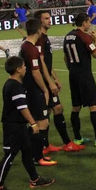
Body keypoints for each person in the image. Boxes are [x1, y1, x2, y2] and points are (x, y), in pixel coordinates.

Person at [0, 56, 55, 190]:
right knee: (9, 155)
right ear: (18, 69)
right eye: (24, 66)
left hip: (18, 125)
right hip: (13, 127)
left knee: (27, 151)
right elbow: (22, 108)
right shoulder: (15, 86)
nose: (25, 68)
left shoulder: (12, 84)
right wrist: (33, 123)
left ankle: (35, 179)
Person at [34, 10, 84, 153]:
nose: (50, 20)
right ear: (39, 22)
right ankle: (54, 145)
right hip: (41, 83)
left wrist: (55, 78)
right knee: (48, 112)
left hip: (46, 80)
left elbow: (47, 64)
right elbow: (40, 62)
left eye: (50, 18)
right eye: (46, 19)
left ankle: (46, 145)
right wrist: (50, 83)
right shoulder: (39, 39)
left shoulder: (44, 38)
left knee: (52, 110)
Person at [64, 13, 96, 147]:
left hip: (73, 75)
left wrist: (72, 69)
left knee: (76, 106)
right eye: (88, 22)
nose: (90, 25)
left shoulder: (68, 36)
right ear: (84, 22)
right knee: (93, 105)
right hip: (85, 75)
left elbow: (65, 57)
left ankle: (78, 138)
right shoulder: (84, 37)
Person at [19, 19, 57, 167]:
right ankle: (36, 156)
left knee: (41, 121)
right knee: (41, 122)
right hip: (34, 90)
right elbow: (36, 73)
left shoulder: (26, 46)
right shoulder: (31, 49)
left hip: (29, 89)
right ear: (38, 31)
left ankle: (34, 155)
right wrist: (45, 89)